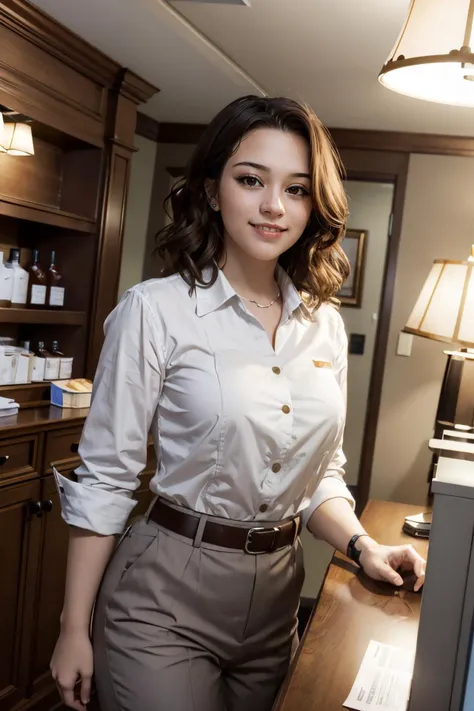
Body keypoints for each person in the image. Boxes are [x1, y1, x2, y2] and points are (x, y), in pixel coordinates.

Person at [50, 95, 426, 711]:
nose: (274, 205)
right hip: (163, 598)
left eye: (297, 189)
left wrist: (363, 545)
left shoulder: (324, 327)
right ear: (210, 189)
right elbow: (106, 480)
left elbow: (320, 475)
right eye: (251, 180)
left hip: (278, 600)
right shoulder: (156, 311)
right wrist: (73, 628)